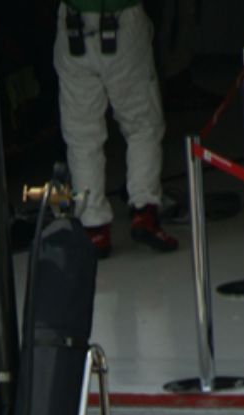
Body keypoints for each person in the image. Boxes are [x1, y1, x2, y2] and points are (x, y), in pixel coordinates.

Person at [54, 0, 179, 257]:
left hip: (72, 25)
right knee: (142, 125)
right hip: (122, 20)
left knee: (82, 135)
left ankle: (94, 227)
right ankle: (144, 210)